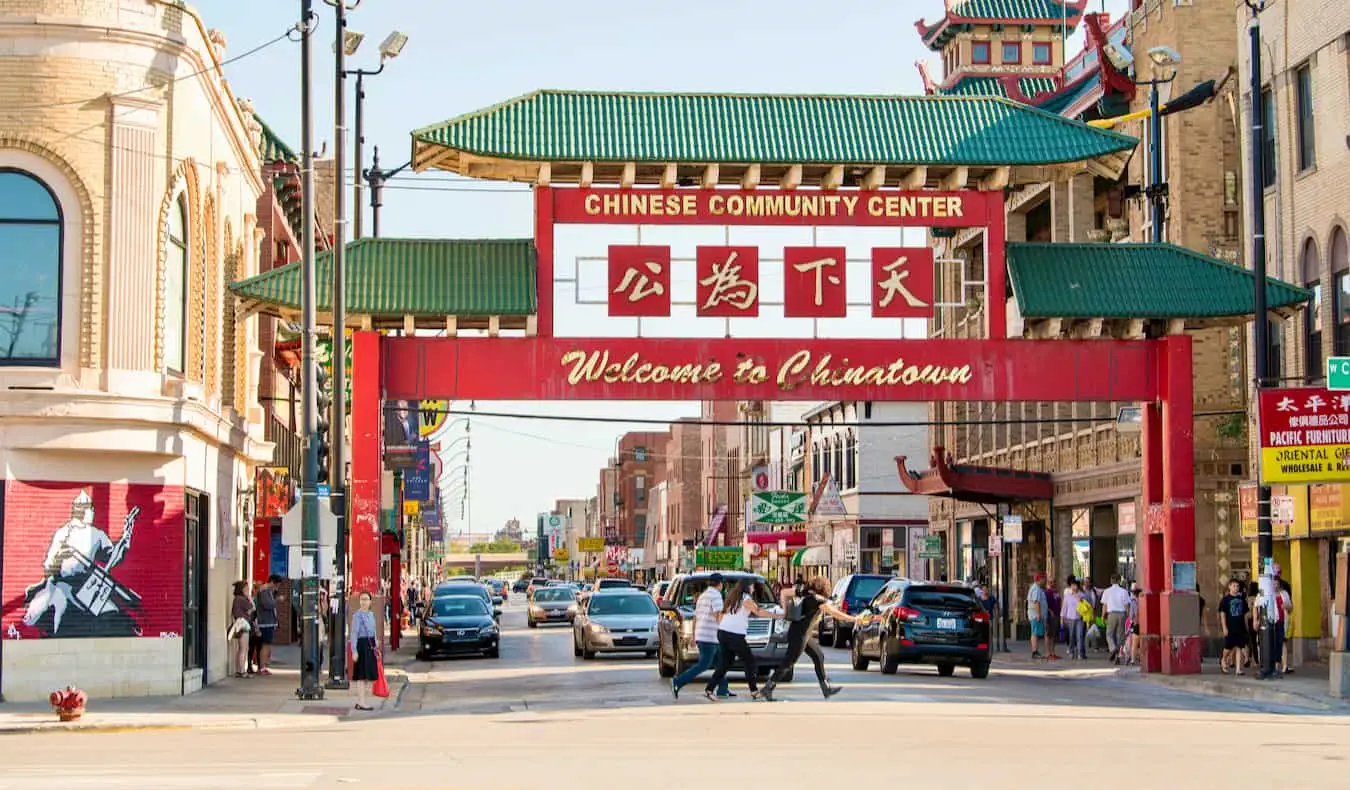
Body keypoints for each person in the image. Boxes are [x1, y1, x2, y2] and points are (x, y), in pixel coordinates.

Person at [757, 577, 857, 701]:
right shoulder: (818, 600)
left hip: (799, 632)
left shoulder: (803, 592)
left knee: (818, 655)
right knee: (789, 661)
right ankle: (768, 688)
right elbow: (835, 614)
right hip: (801, 634)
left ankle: (825, 687)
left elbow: (784, 592)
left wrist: (785, 611)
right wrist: (854, 619)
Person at [703, 579, 782, 701]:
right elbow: (759, 611)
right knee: (749, 661)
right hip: (734, 635)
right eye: (752, 586)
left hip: (723, 632)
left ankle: (709, 689)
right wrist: (778, 616)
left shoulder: (733, 597)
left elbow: (724, 615)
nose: (753, 589)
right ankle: (754, 691)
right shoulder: (746, 598)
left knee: (725, 663)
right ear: (747, 587)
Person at [672, 574, 731, 699]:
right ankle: (678, 681)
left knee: (720, 663)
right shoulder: (716, 596)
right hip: (710, 636)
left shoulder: (703, 596)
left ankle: (723, 689)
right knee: (704, 664)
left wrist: (694, 636)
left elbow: (695, 617)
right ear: (719, 584)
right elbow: (717, 616)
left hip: (702, 634)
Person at [350, 591, 380, 711]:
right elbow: (354, 634)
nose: (364, 602)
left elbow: (374, 630)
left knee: (367, 675)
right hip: (361, 645)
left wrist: (376, 643)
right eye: (362, 599)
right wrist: (354, 650)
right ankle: (361, 702)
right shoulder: (357, 616)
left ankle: (362, 701)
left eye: (366, 599)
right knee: (361, 676)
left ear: (370, 601)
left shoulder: (371, 614)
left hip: (371, 645)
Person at [1218, 578, 1251, 675]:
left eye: (1237, 586)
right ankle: (1223, 659)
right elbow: (1222, 614)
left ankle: (1238, 669)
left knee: (1239, 647)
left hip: (1240, 626)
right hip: (1230, 626)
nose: (1236, 588)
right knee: (1228, 647)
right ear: (1229, 587)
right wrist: (1224, 627)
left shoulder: (1241, 600)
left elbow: (1246, 613)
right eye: (1234, 586)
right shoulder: (1225, 600)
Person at [1100, 574, 1131, 665]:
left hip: (1111, 614)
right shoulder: (1124, 591)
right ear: (1119, 581)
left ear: (1111, 581)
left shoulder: (1107, 591)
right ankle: (1118, 655)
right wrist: (1128, 617)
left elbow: (1104, 605)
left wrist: (1103, 616)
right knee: (1120, 636)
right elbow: (1127, 606)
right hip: (1122, 614)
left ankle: (1113, 649)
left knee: (1109, 634)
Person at [255, 575, 280, 675]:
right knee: (266, 644)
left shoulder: (267, 591)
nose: (277, 588)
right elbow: (268, 605)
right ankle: (262, 667)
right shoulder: (264, 591)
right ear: (273, 582)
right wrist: (277, 600)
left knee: (265, 645)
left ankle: (262, 666)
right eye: (277, 585)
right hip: (266, 622)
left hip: (268, 622)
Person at [228, 581, 254, 679]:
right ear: (242, 589)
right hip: (243, 625)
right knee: (244, 649)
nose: (248, 590)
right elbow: (252, 607)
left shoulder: (236, 599)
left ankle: (240, 670)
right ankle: (242, 671)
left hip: (239, 624)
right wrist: (249, 597)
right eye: (246, 588)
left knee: (241, 649)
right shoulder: (241, 599)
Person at [1061, 578, 1087, 660]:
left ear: (1078, 586)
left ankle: (1080, 653)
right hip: (1070, 618)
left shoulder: (1082, 595)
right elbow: (1064, 607)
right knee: (1071, 636)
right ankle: (1071, 651)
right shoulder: (1067, 596)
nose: (1073, 587)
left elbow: (1085, 607)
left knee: (1080, 635)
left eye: (1075, 585)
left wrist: (1079, 599)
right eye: (1072, 585)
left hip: (1079, 618)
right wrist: (1062, 618)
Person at [1027, 572, 1048, 658]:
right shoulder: (1036, 589)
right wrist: (1038, 614)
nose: (1045, 580)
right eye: (1044, 578)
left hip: (1035, 614)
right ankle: (1034, 651)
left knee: (1035, 632)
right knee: (1035, 633)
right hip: (1035, 615)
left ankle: (1035, 651)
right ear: (1040, 579)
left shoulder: (1037, 588)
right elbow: (1036, 602)